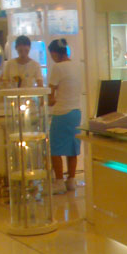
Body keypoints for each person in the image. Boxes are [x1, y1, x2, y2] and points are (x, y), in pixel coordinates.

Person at [47, 39, 81, 194]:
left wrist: (50, 100)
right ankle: (71, 180)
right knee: (72, 148)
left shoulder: (58, 67)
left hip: (61, 113)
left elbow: (50, 94)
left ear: (55, 53)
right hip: (76, 112)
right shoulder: (77, 65)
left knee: (56, 149)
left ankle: (59, 182)